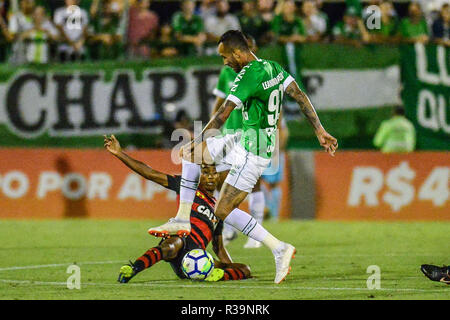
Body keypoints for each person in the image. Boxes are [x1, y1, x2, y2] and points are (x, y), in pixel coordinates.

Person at [149, 30, 338, 283]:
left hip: (255, 149)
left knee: (223, 210)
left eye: (225, 56)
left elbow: (221, 116)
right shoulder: (272, 67)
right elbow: (300, 96)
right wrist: (320, 130)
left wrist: (196, 138)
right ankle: (183, 217)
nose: (224, 62)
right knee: (191, 155)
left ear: (238, 53)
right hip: (243, 139)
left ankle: (279, 248)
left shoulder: (247, 76)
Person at [103, 134, 251, 283]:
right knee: (173, 244)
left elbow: (218, 247)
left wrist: (228, 266)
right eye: (206, 172)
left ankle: (218, 277)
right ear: (199, 174)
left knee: (245, 269)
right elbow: (150, 173)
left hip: (198, 257)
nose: (211, 177)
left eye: (214, 173)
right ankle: (133, 269)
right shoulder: (187, 186)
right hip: (181, 245)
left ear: (218, 176)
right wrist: (120, 153)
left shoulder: (219, 208)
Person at [211, 35, 265, 249]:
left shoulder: (261, 72)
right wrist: (211, 130)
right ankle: (229, 229)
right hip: (228, 132)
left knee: (253, 184)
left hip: (252, 133)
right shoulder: (227, 73)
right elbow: (219, 103)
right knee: (222, 182)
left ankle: (256, 232)